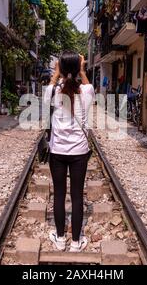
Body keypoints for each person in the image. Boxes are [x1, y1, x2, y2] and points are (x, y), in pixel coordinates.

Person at [43, 51, 95, 252]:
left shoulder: (52, 91)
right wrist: (81, 70)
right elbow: (86, 83)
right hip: (79, 152)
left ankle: (60, 238)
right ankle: (75, 242)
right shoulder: (87, 90)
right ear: (79, 68)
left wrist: (57, 72)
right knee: (76, 196)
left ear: (61, 68)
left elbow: (52, 84)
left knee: (59, 194)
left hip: (57, 151)